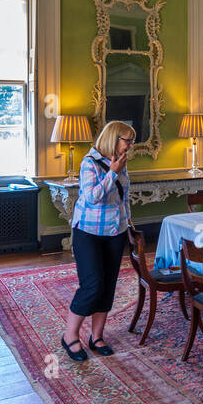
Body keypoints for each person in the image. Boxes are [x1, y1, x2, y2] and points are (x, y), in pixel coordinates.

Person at [62, 120, 136, 362]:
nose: (130, 145)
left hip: (115, 231)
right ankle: (70, 335)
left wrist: (129, 225)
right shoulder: (89, 163)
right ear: (114, 138)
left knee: (108, 285)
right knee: (92, 285)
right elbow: (92, 197)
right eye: (127, 140)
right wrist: (112, 172)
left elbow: (123, 198)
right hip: (88, 232)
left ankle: (96, 336)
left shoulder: (121, 162)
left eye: (131, 141)